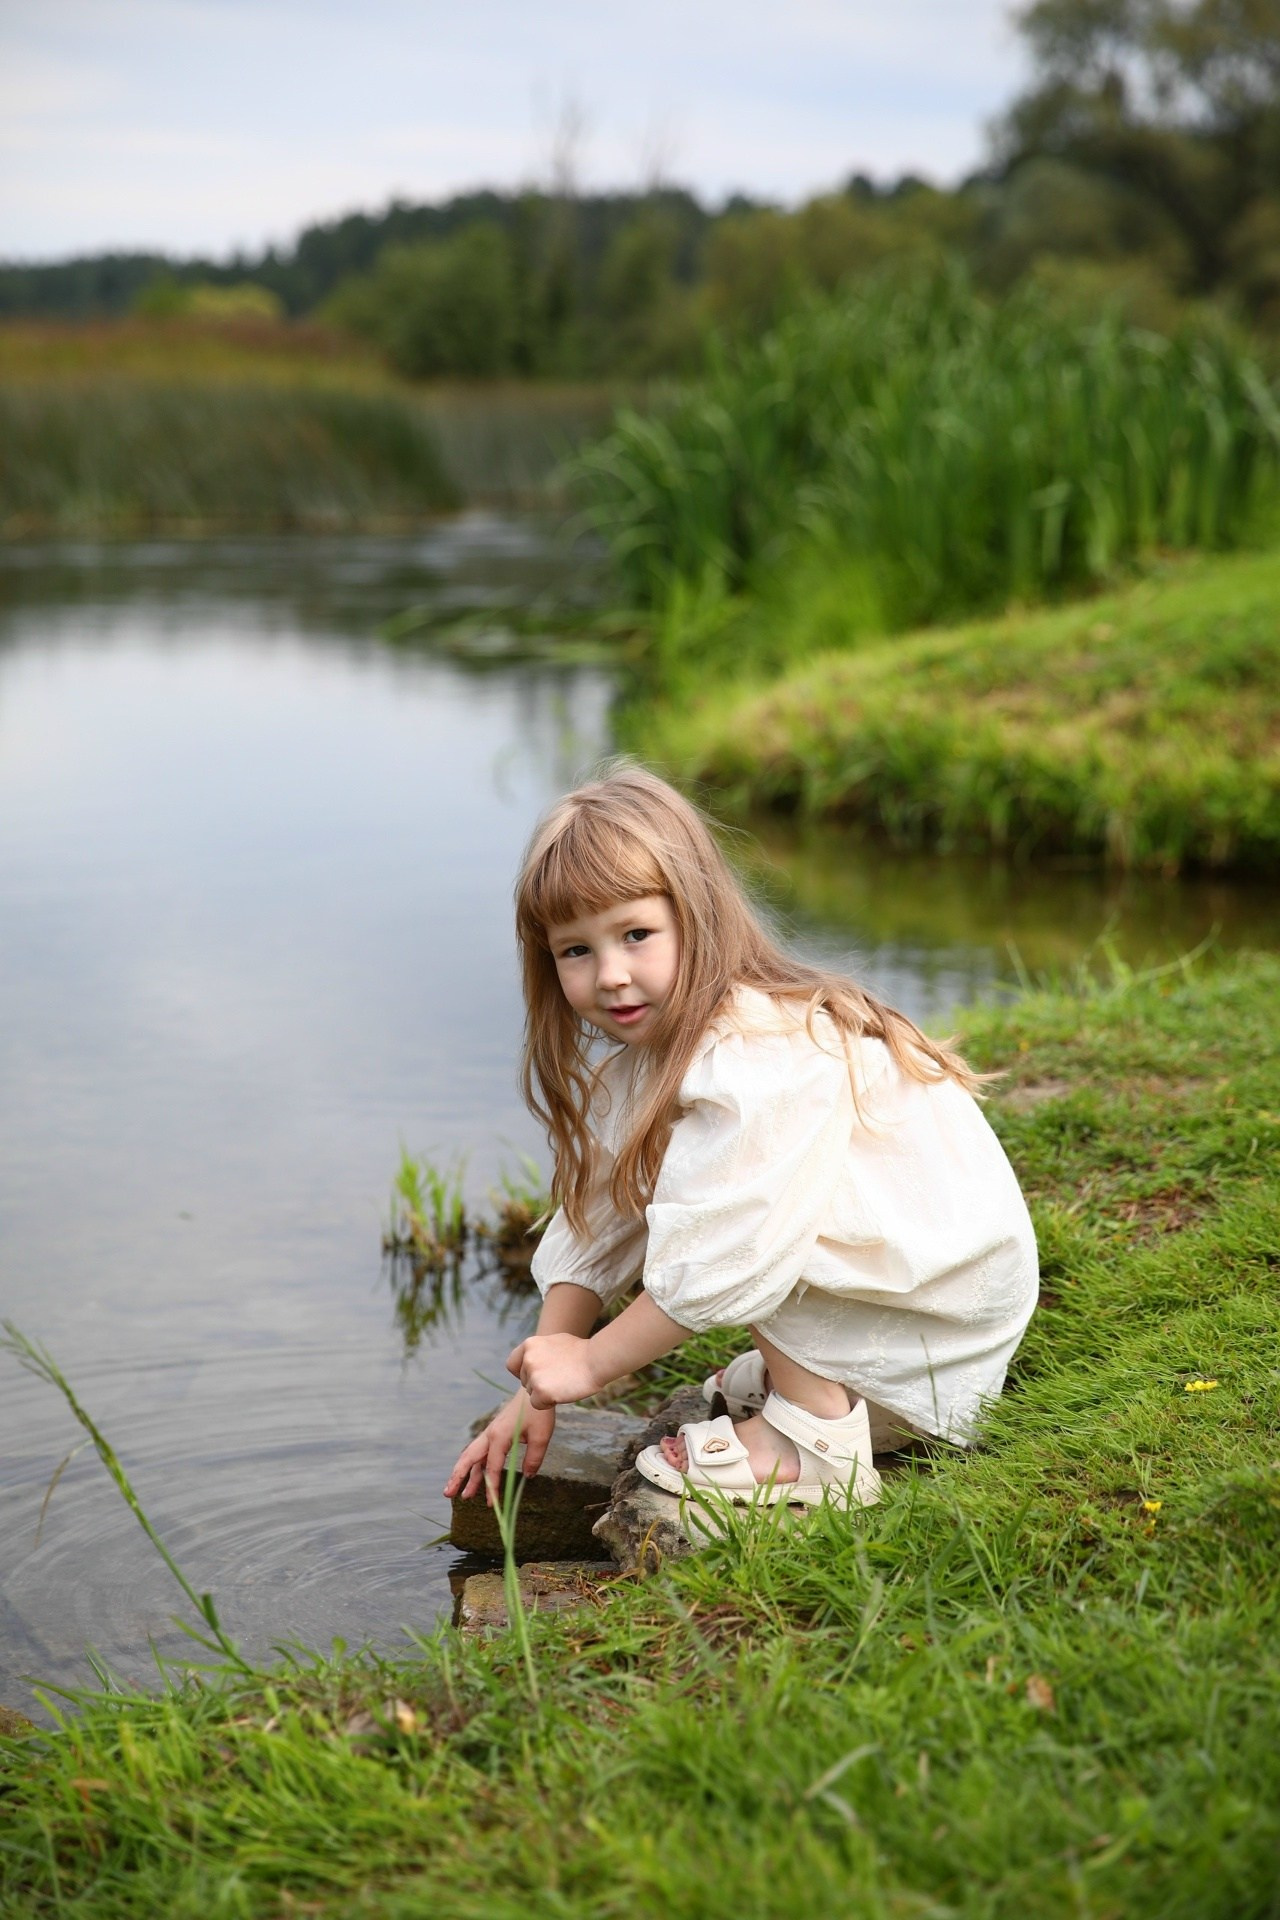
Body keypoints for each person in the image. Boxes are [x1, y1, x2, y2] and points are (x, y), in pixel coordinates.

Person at [444, 764, 1038, 1514]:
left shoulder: (756, 1050)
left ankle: (816, 1444)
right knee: (727, 1215)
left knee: (749, 1222)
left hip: (942, 1311)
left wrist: (592, 1362)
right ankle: (843, 1390)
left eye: (636, 934)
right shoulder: (654, 1056)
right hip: (917, 1308)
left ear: (695, 914)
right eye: (577, 951)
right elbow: (599, 1217)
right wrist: (538, 1386)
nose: (613, 976)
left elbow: (731, 1249)